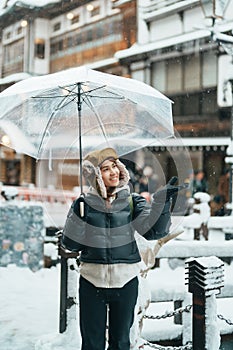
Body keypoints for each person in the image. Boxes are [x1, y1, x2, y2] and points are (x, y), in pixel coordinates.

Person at [61, 147, 185, 350]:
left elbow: (153, 232)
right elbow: (70, 245)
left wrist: (162, 203)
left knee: (121, 343)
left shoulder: (131, 201)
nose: (114, 172)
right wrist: (78, 218)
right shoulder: (83, 204)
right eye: (106, 169)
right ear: (95, 176)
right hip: (92, 282)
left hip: (126, 281)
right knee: (92, 344)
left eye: (115, 166)